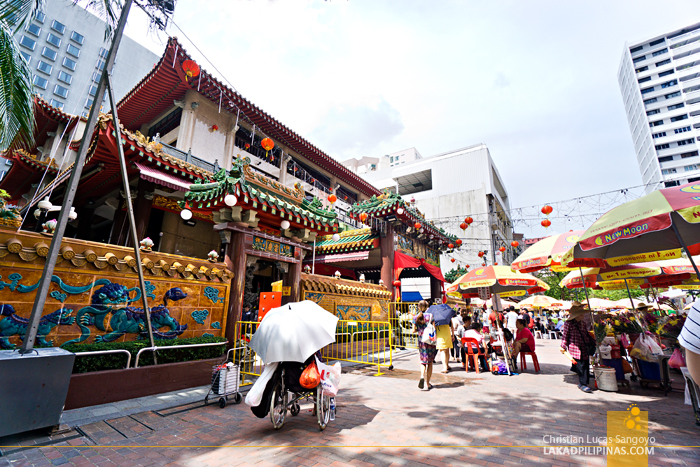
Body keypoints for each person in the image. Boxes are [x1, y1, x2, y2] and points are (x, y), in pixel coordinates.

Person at [560, 303, 596, 393]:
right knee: (580, 366)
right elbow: (565, 336)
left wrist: (594, 341)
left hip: (584, 346)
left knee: (586, 365)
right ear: (577, 315)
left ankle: (585, 382)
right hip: (575, 348)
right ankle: (583, 384)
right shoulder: (568, 323)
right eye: (582, 314)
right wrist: (563, 346)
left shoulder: (583, 323)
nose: (583, 315)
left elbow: (585, 334)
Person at [412, 300, 437, 390]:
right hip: (430, 341)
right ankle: (428, 383)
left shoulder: (415, 317)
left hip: (421, 341)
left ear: (418, 307)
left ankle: (422, 376)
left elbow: (413, 330)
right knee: (430, 362)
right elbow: (434, 328)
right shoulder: (430, 316)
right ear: (427, 307)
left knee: (423, 361)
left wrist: (420, 329)